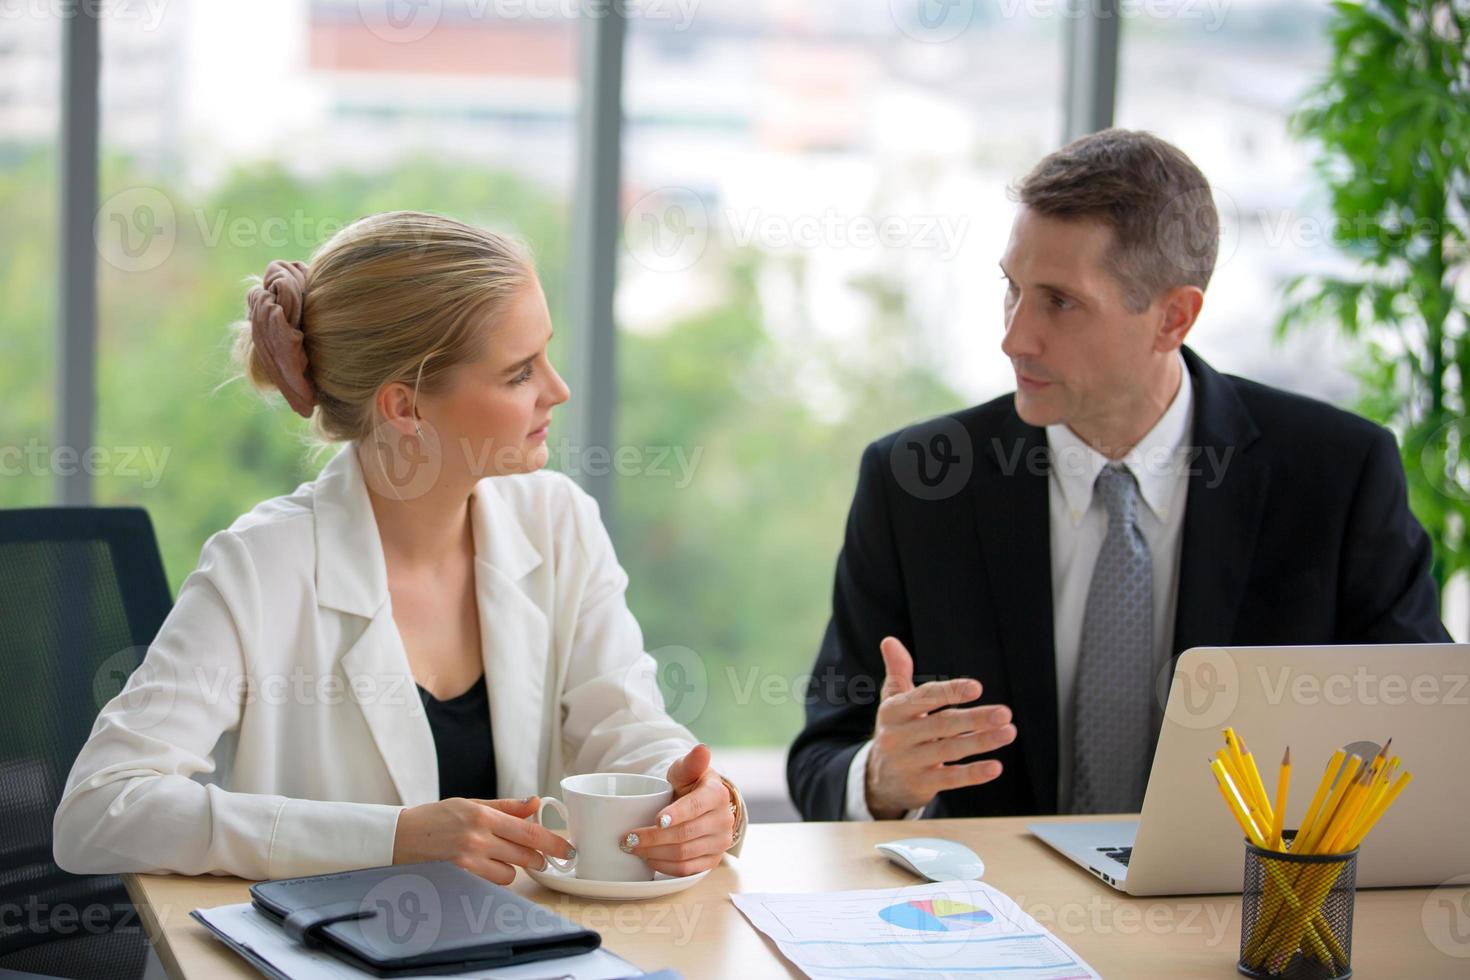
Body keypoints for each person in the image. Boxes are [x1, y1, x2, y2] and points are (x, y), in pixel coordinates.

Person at [53, 211, 745, 883]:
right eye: (519, 372)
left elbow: (625, 726)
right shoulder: (260, 567)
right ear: (404, 407)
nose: (557, 390)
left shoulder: (557, 522)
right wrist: (391, 840)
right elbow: (100, 812)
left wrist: (698, 801)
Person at [788, 129, 1449, 823]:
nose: (1014, 336)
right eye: (1011, 291)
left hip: (1244, 916)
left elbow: (1422, 744)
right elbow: (820, 761)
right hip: (984, 919)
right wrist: (883, 779)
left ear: (1173, 317)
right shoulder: (915, 484)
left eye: (1060, 303)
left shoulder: (1337, 477)